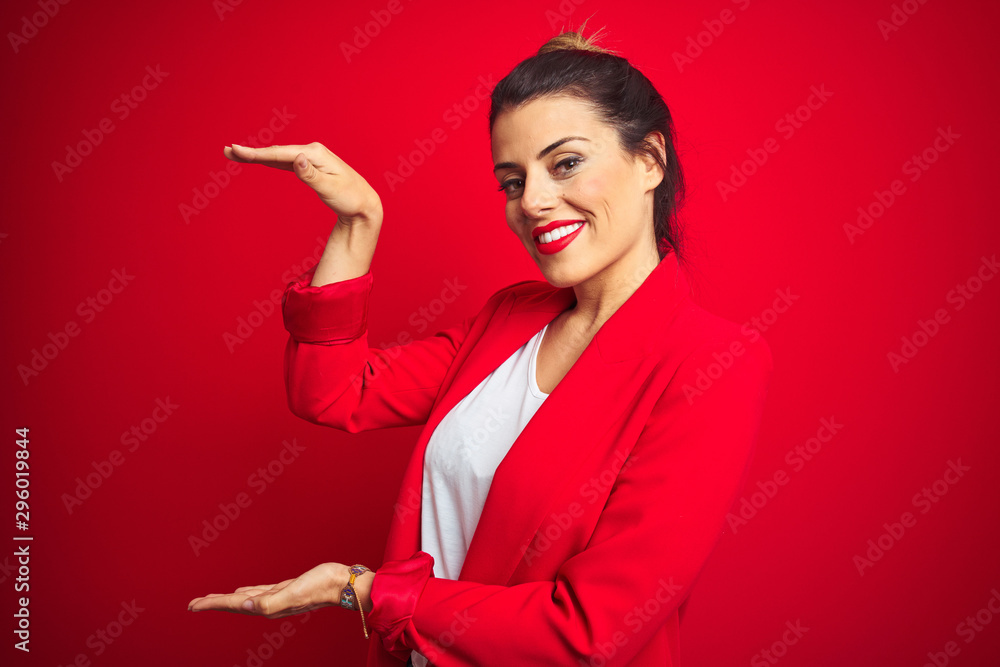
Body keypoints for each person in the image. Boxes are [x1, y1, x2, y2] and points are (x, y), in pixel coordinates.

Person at [188, 26, 773, 667]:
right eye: (512, 181)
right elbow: (332, 391)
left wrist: (365, 592)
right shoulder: (511, 318)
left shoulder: (712, 364)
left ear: (650, 161)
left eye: (566, 163)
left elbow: (588, 632)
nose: (536, 202)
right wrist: (357, 224)